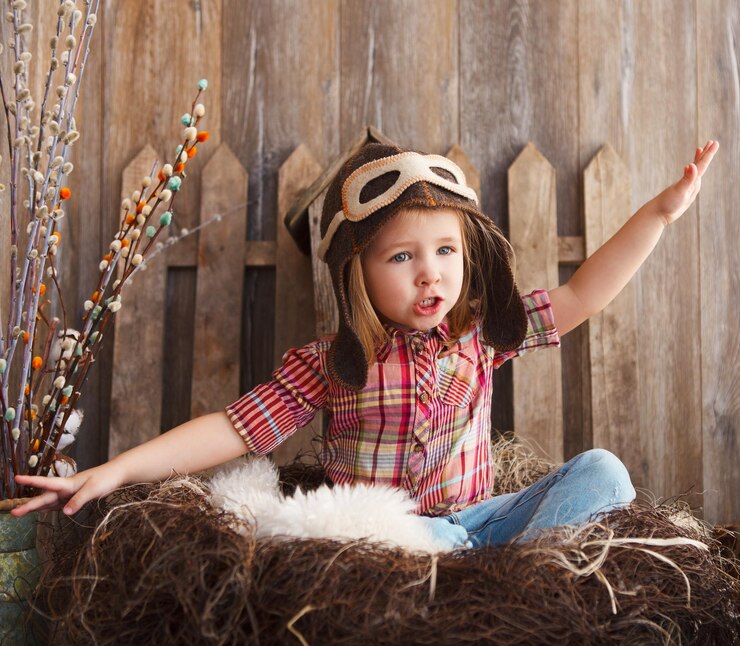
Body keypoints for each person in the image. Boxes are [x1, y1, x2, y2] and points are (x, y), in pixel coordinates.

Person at [12, 140, 718, 549]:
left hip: (476, 518)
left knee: (603, 474)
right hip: (392, 535)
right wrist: (109, 472)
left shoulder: (478, 336)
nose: (430, 272)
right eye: (402, 257)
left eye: (445, 250)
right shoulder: (327, 366)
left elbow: (580, 296)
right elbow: (232, 429)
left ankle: (496, 559)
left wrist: (659, 213)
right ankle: (467, 564)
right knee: (394, 544)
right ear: (359, 272)